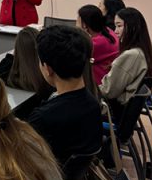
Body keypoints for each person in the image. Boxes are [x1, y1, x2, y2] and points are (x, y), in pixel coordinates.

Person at [27, 25, 103, 166]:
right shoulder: (94, 104)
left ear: (48, 68)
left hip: (47, 178)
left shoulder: (42, 118)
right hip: (72, 177)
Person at [99, 7, 152, 127]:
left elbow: (108, 91)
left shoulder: (131, 55)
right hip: (123, 111)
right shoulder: (144, 52)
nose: (115, 31)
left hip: (112, 110)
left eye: (119, 26)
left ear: (132, 27)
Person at [76, 4, 119, 86]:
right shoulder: (108, 31)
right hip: (107, 80)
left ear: (84, 25)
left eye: (77, 21)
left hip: (98, 86)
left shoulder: (95, 44)